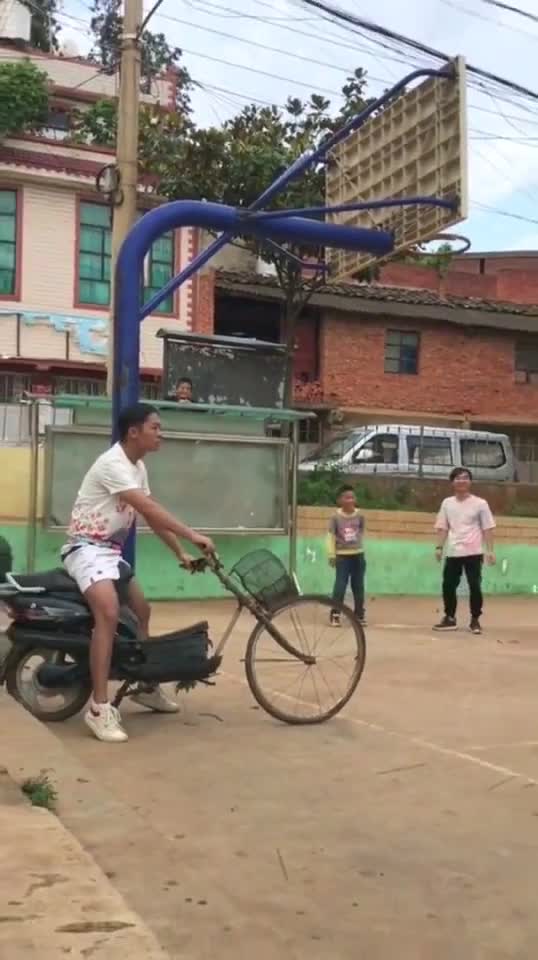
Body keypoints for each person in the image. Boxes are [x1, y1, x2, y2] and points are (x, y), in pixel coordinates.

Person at [61, 403, 214, 744]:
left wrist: (180, 552)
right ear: (134, 431)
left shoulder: (136, 466)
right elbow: (148, 508)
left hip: (110, 554)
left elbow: (151, 515)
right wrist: (192, 534)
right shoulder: (113, 464)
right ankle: (99, 709)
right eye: (155, 427)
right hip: (85, 549)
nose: (160, 433)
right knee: (109, 613)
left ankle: (145, 686)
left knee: (142, 610)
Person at [433, 467, 496, 635]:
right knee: (448, 585)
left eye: (465, 478)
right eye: (458, 478)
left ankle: (475, 620)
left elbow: (488, 528)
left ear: (470, 482)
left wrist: (490, 551)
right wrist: (439, 547)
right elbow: (442, 527)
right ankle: (450, 618)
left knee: (474, 586)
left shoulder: (480, 503)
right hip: (454, 551)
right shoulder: (447, 503)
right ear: (452, 482)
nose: (462, 481)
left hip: (474, 552)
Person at [327, 485, 366, 626]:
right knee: (340, 586)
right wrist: (331, 554)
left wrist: (357, 546)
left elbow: (361, 530)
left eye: (352, 497)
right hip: (342, 556)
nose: (350, 500)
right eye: (347, 497)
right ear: (340, 500)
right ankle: (335, 614)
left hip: (358, 555)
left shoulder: (360, 515)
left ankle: (359, 614)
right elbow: (330, 536)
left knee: (358, 586)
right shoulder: (335, 517)